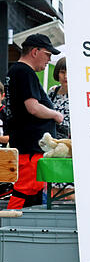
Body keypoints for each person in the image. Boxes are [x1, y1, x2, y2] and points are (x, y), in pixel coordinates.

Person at [6, 34, 63, 209]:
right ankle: (8, 228)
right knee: (25, 190)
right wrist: (55, 115)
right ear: (35, 51)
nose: (49, 60)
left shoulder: (16, 71)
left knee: (32, 192)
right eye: (48, 54)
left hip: (27, 145)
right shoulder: (24, 71)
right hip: (30, 146)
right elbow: (33, 107)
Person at [47, 57, 70, 139]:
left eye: (69, 72)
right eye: (62, 72)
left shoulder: (80, 94)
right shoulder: (52, 91)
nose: (66, 76)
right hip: (53, 136)